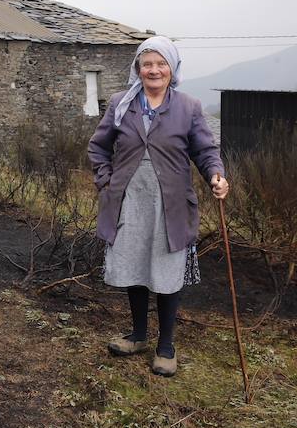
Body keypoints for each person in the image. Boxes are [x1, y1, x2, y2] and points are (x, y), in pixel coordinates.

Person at [87, 36, 228, 377]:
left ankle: (166, 346)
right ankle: (137, 335)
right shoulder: (121, 103)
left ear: (172, 68)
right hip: (129, 202)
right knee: (134, 267)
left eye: (160, 63)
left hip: (171, 204)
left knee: (166, 272)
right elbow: (98, 147)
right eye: (147, 63)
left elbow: (205, 151)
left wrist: (216, 175)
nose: (154, 70)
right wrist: (107, 182)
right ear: (138, 68)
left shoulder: (189, 107)